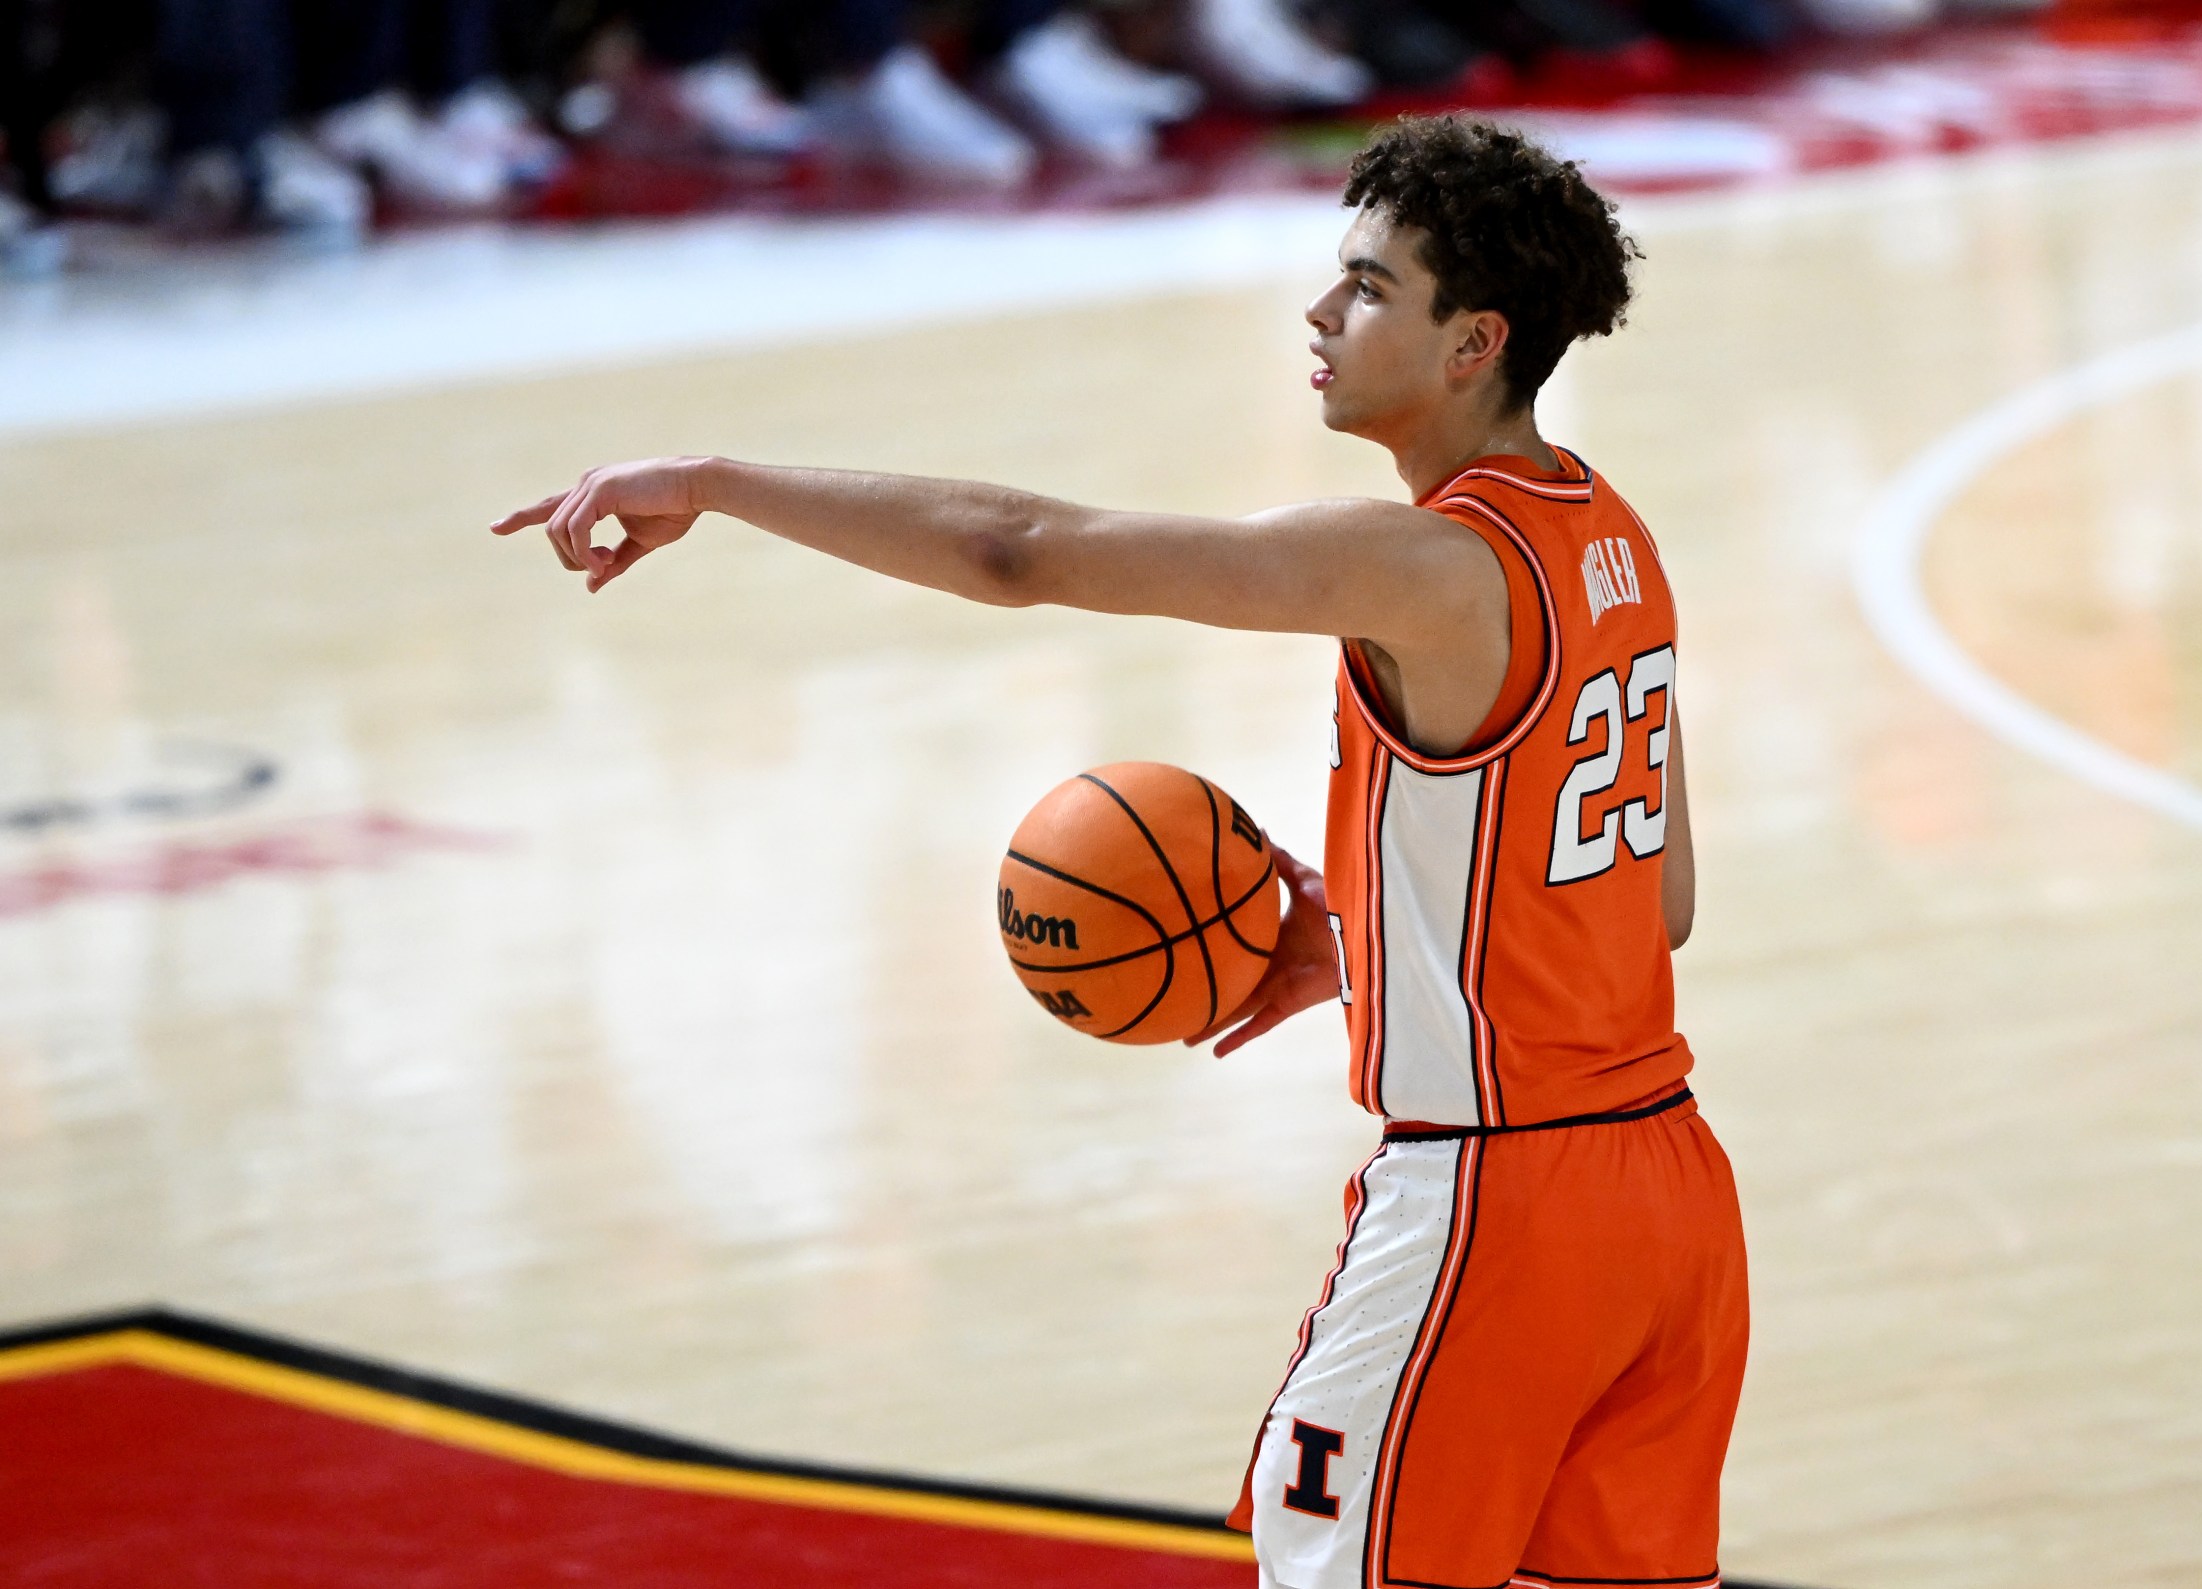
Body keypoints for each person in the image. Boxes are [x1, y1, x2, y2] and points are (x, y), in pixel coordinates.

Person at [490, 114, 1747, 1589]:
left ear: (1474, 343)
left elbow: (1022, 550)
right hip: (1669, 1211)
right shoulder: (1615, 537)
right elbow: (1651, 900)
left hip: (1499, 1210)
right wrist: (1385, 942)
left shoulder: (1424, 562)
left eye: (1366, 287)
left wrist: (713, 478)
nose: (1319, 312)